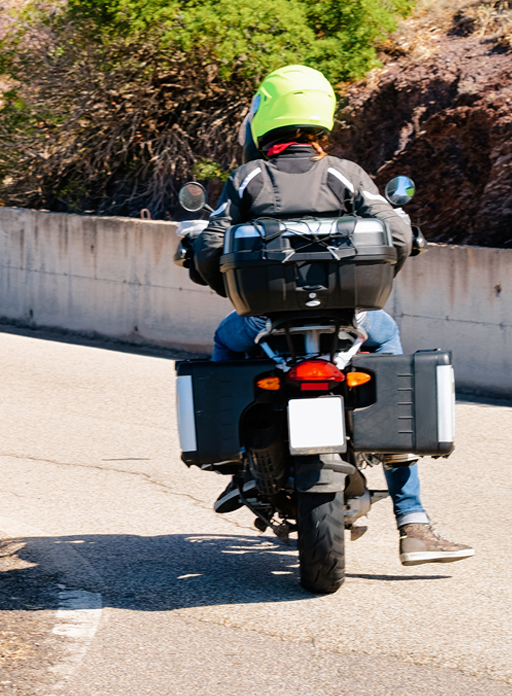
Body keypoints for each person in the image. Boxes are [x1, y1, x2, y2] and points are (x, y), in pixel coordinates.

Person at [191, 64, 474, 567]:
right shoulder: (345, 172)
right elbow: (398, 232)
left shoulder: (248, 177)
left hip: (267, 325)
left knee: (226, 341)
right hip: (350, 323)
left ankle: (238, 466)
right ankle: (413, 524)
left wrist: (219, 283)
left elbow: (213, 244)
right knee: (389, 363)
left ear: (263, 118)